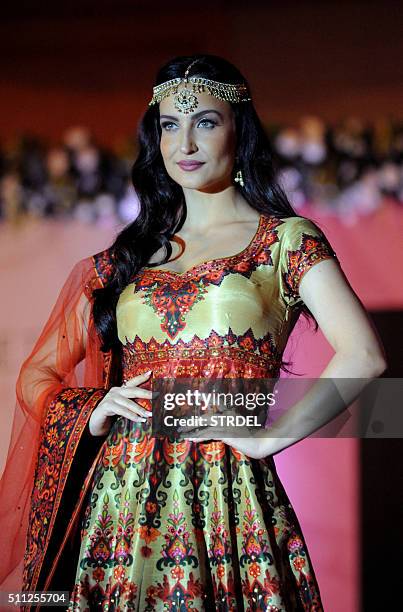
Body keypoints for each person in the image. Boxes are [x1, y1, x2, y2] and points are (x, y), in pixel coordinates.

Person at [0, 54, 386, 611]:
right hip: (122, 503)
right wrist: (95, 407)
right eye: (169, 126)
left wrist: (270, 437)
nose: (185, 142)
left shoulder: (285, 241)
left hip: (231, 496)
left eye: (204, 121)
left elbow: (364, 354)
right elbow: (36, 373)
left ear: (239, 132)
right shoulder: (125, 261)